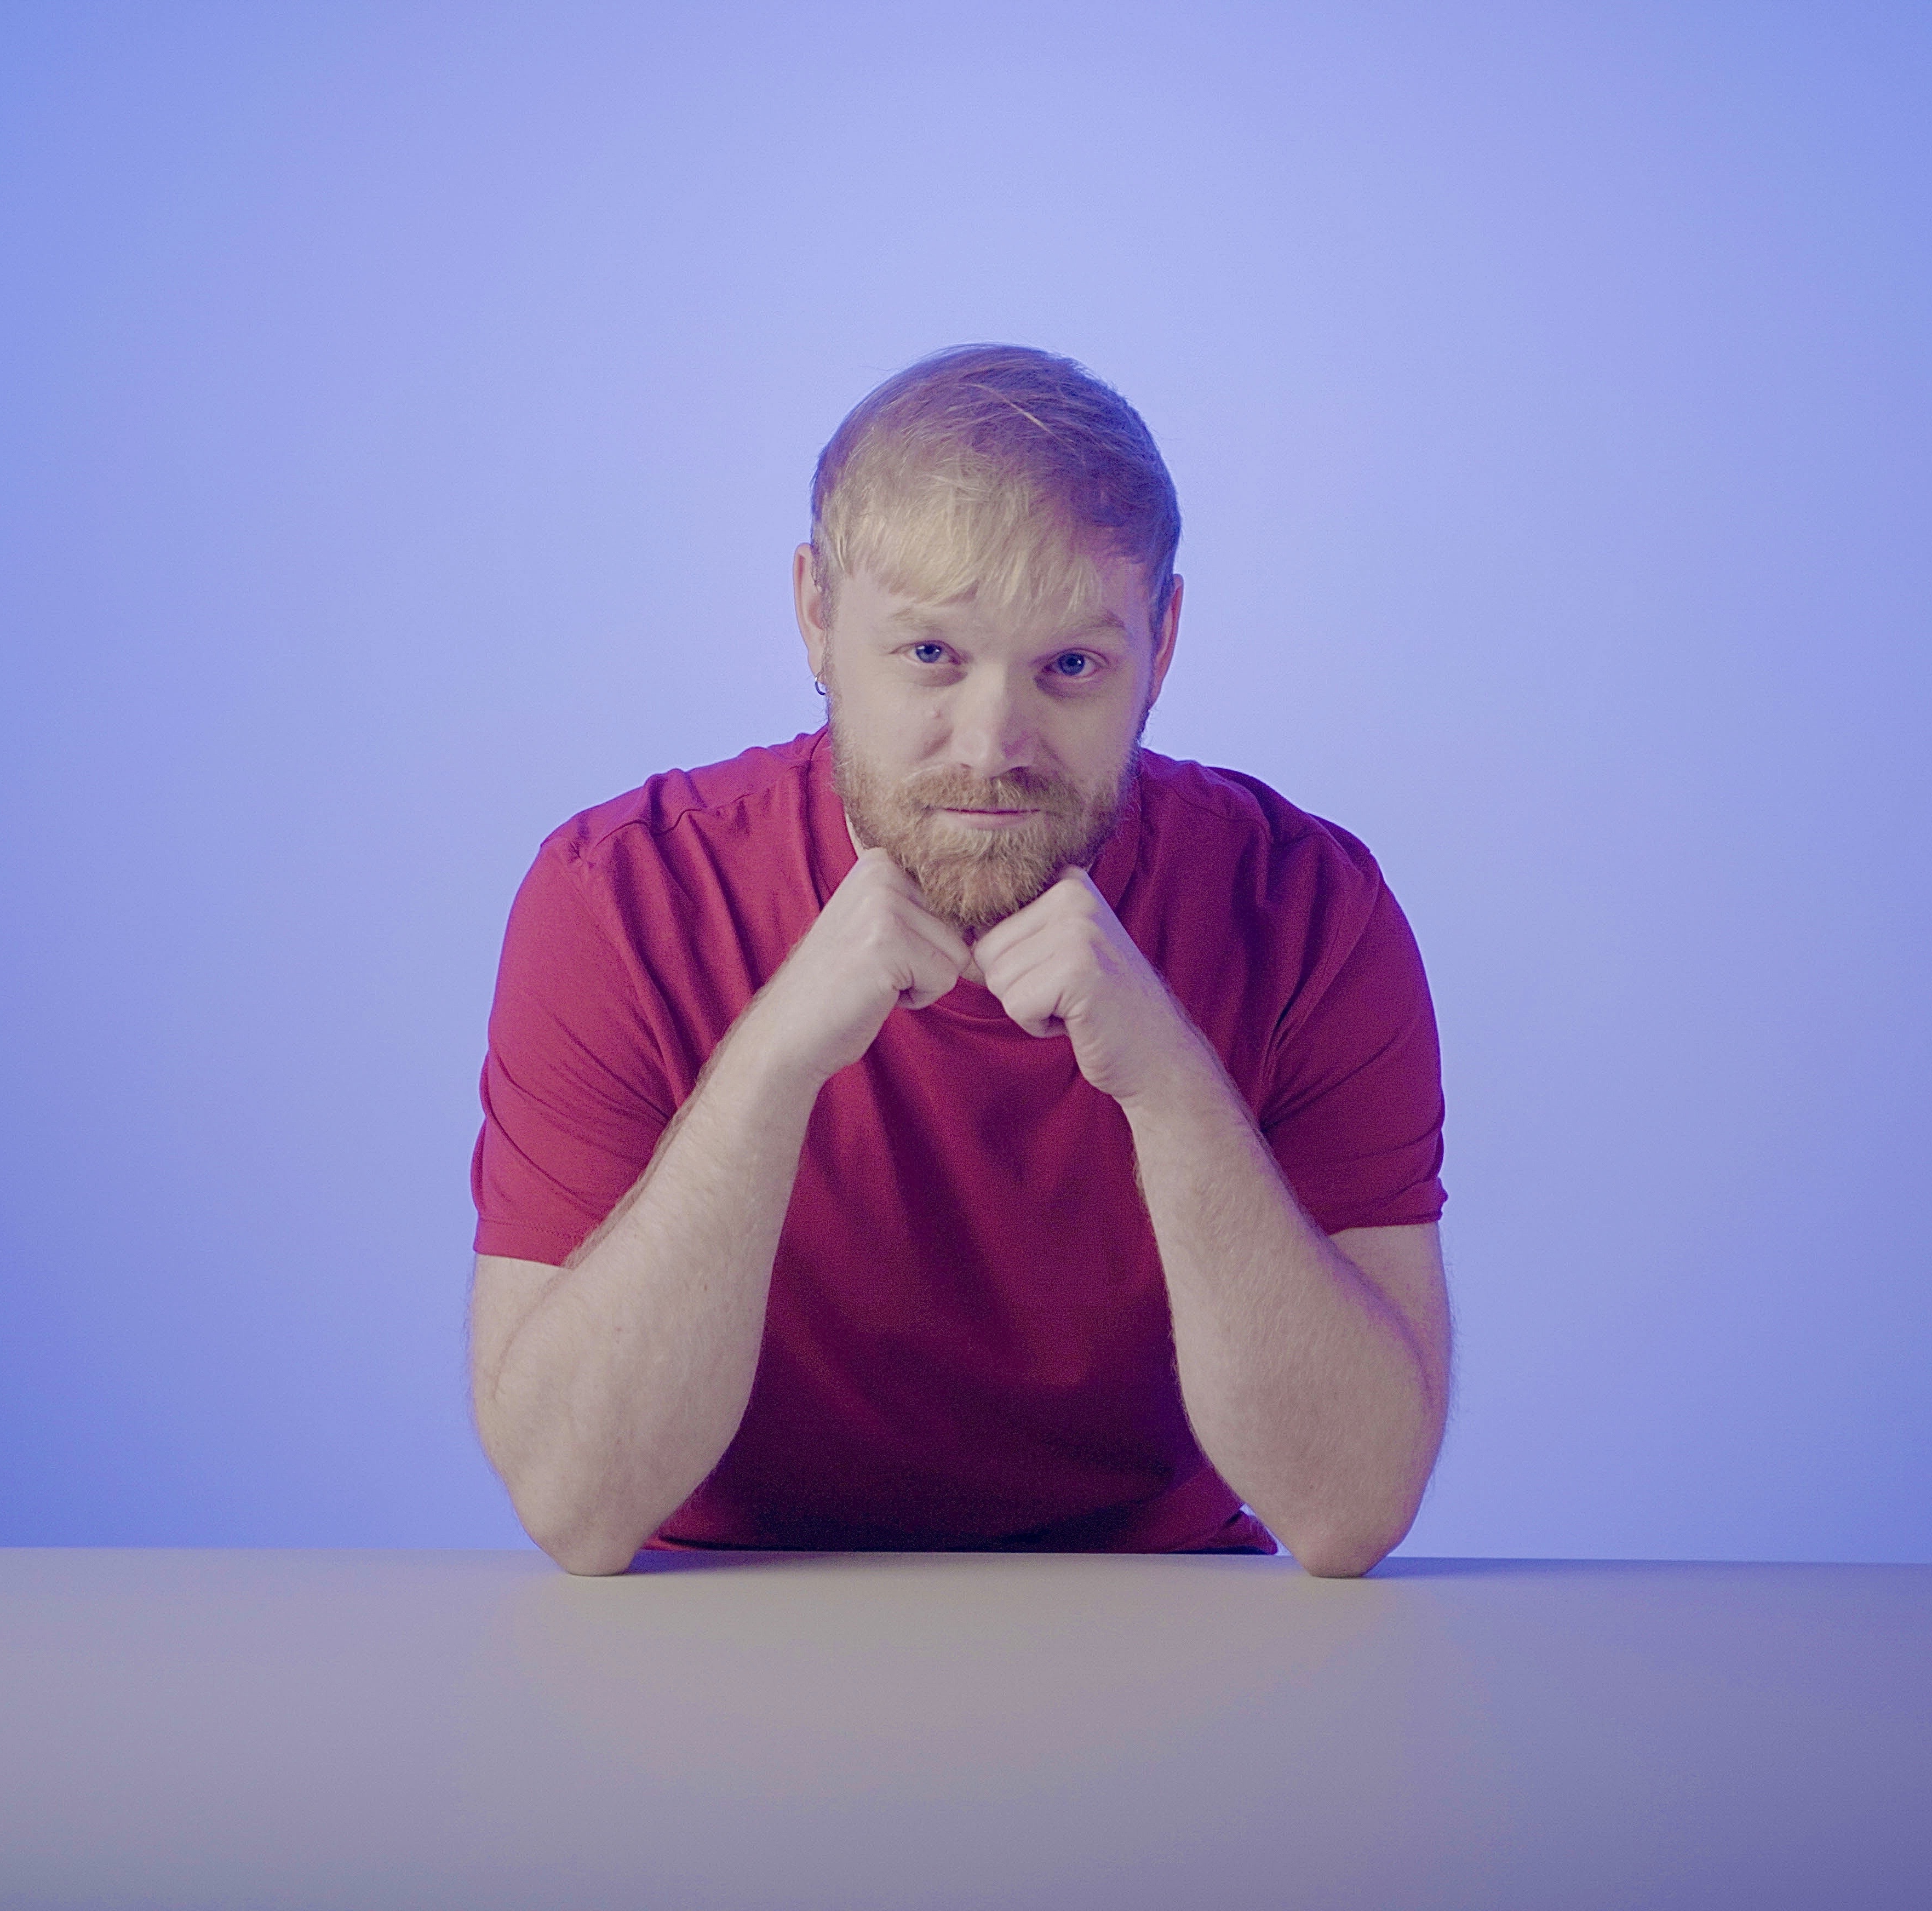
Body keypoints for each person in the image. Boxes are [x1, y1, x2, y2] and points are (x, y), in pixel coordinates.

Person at [466, 346, 1450, 1577]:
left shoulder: (1309, 910)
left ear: (1166, 640)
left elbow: (1350, 1507)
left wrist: (1169, 1078)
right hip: (719, 1624)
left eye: (1072, 666)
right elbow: (575, 1502)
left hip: (1172, 1627)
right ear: (817, 616)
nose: (993, 746)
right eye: (931, 654)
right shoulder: (617, 899)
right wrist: (773, 1060)